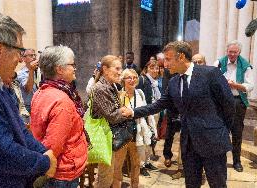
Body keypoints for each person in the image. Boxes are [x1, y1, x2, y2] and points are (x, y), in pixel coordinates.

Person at [123, 41, 235, 188]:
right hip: (189, 143)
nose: (165, 64)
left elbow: (229, 104)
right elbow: (159, 105)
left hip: (213, 141)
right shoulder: (174, 82)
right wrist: (132, 112)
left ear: (181, 57)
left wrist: (221, 130)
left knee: (217, 184)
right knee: (191, 184)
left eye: (168, 59)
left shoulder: (210, 73)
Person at [0, 12, 56, 188]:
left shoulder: (0, 84)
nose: (20, 59)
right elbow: (1, 152)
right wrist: (44, 163)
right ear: (0, 50)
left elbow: (20, 130)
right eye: (19, 51)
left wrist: (44, 151)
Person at [30, 45, 87, 187]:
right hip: (62, 169)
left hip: (54, 165)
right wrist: (45, 166)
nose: (75, 68)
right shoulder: (62, 100)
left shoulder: (40, 91)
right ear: (59, 69)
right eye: (72, 64)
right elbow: (53, 143)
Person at [214, 40, 254, 172]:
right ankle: (220, 160)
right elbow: (212, 80)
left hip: (237, 100)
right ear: (227, 51)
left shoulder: (246, 65)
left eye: (234, 52)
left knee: (237, 132)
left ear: (239, 52)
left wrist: (236, 85)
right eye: (230, 52)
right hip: (222, 101)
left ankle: (237, 161)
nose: (231, 54)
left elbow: (250, 86)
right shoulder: (219, 63)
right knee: (221, 131)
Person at [92, 55, 128, 188]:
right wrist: (127, 111)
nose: (120, 72)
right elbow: (112, 115)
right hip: (104, 136)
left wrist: (121, 110)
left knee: (106, 173)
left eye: (121, 68)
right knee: (105, 177)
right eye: (117, 68)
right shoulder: (101, 88)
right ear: (105, 69)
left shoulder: (110, 85)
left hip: (109, 135)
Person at [136, 60, 160, 157]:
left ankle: (148, 160)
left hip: (155, 111)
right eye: (152, 68)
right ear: (146, 69)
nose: (155, 70)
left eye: (157, 68)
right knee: (145, 136)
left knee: (152, 135)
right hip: (146, 112)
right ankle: (143, 162)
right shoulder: (142, 79)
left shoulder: (154, 82)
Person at [17, 48, 40, 114]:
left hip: (39, 104)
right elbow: (28, 89)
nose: (34, 57)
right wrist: (31, 70)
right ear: (24, 58)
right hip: (28, 107)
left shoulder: (40, 71)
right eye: (30, 55)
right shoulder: (21, 73)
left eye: (34, 55)